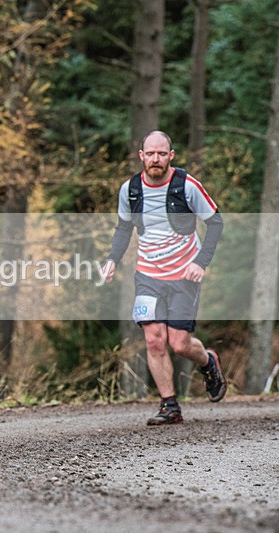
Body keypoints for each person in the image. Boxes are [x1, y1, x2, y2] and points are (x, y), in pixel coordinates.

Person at [103, 130, 226, 426]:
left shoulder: (187, 186)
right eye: (150, 154)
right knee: (154, 340)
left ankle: (208, 361)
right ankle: (169, 405)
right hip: (147, 275)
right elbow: (123, 228)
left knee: (180, 344)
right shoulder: (130, 189)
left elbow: (216, 222)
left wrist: (201, 262)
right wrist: (112, 259)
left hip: (184, 274)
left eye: (162, 154)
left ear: (171, 156)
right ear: (141, 156)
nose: (155, 159)